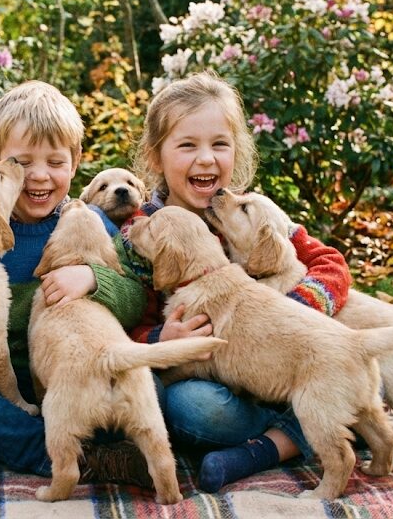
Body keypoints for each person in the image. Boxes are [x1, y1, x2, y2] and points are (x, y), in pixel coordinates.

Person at [116, 71, 352, 492]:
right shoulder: (142, 234)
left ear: (236, 151)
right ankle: (301, 431)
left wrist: (292, 311)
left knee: (355, 356)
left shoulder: (247, 211)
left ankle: (274, 444)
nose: (206, 159)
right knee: (191, 408)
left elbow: (329, 262)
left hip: (292, 364)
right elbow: (128, 321)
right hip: (216, 384)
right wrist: (161, 337)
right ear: (155, 157)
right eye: (187, 145)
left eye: (219, 144)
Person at [0, 81, 156, 486]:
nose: (39, 176)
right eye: (22, 162)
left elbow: (134, 298)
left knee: (150, 390)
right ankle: (46, 453)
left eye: (55, 162)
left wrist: (93, 278)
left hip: (73, 375)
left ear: (76, 161)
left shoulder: (87, 221)